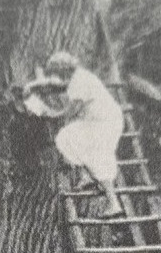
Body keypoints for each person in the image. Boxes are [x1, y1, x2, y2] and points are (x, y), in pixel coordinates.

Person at [22, 51, 125, 218]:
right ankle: (87, 177)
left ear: (63, 70)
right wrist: (34, 85)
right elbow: (58, 84)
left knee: (85, 149)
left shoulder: (79, 82)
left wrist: (46, 112)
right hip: (99, 120)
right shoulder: (77, 75)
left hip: (104, 123)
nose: (56, 76)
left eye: (57, 72)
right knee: (70, 139)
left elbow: (68, 113)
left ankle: (114, 203)